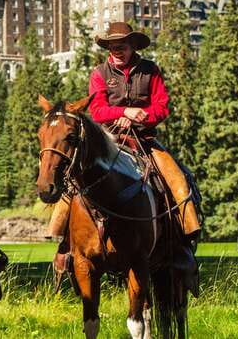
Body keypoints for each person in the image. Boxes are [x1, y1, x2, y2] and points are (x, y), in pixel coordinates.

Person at [49, 22, 201, 277]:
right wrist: (123, 112)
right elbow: (97, 110)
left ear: (132, 46)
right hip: (108, 141)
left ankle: (184, 239)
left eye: (122, 46)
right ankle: (64, 244)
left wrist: (141, 116)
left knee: (177, 179)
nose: (117, 50)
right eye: (113, 46)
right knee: (74, 181)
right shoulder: (99, 73)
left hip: (144, 139)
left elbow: (162, 107)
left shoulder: (150, 71)